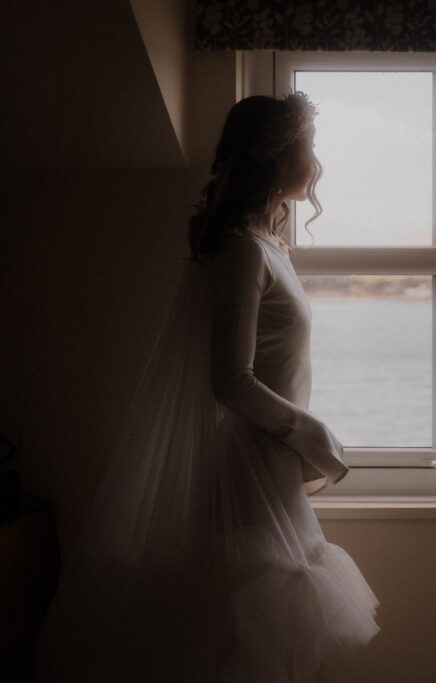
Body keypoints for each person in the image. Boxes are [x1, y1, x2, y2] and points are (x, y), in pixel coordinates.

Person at [36, 93, 379, 682]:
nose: (315, 162)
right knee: (246, 638)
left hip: (271, 468)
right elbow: (230, 380)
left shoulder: (270, 245)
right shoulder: (244, 251)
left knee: (278, 637)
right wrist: (311, 431)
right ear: (277, 159)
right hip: (248, 473)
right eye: (308, 147)